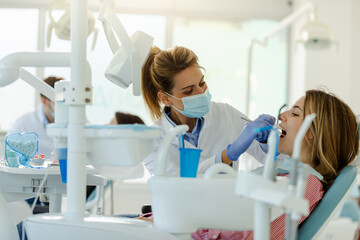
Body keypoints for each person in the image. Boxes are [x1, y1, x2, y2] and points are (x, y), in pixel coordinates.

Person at [191, 89, 359, 240]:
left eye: (295, 113)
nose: (282, 115)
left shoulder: (305, 184)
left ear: (312, 132)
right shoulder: (288, 175)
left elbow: (250, 232)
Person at [141, 45, 274, 176]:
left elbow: (278, 162)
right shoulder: (152, 141)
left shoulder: (225, 114)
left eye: (202, 83)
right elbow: (176, 183)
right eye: (189, 91)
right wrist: (226, 156)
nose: (201, 92)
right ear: (165, 98)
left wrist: (266, 142)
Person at [10, 76, 63, 158]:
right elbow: (10, 157)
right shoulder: (23, 124)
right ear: (44, 100)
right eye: (57, 101)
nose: (62, 105)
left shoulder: (74, 123)